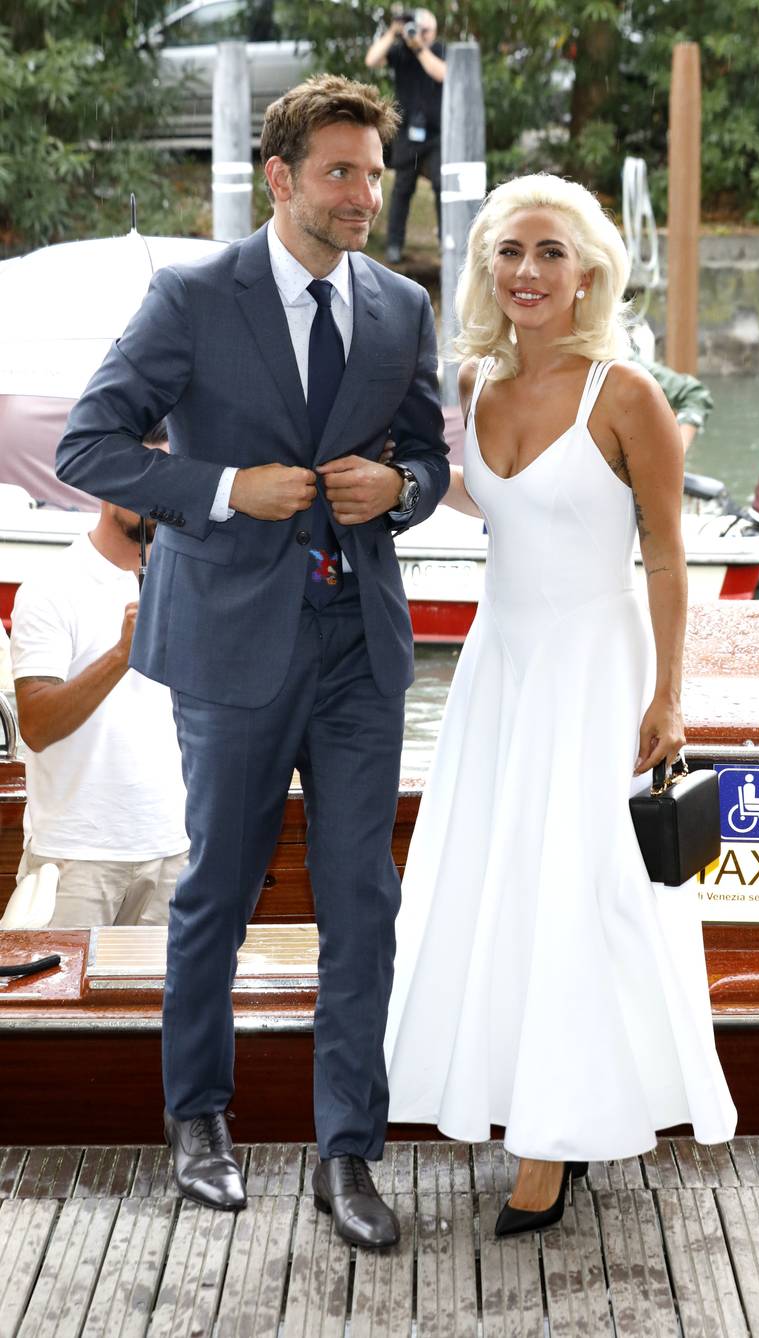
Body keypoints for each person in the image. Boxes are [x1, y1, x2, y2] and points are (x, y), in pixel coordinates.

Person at [56, 74, 450, 1240]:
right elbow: (91, 443)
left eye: (372, 174)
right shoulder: (188, 297)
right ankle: (198, 1120)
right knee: (217, 895)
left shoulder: (400, 308)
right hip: (229, 643)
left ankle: (347, 1154)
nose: (363, 195)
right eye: (340, 171)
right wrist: (225, 489)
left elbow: (426, 460)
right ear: (279, 178)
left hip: (358, 650)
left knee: (361, 904)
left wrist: (400, 491)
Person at [384, 173, 737, 1236]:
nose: (526, 272)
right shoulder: (473, 385)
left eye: (547, 253)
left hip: (596, 669)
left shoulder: (626, 394)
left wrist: (669, 697)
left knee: (581, 893)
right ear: (485, 269)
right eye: (507, 252)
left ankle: (552, 1138)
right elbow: (488, 498)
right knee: (504, 882)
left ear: (586, 270)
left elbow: (670, 560)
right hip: (501, 667)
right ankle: (523, 1098)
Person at [11, 423, 188, 928]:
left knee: (166, 1008)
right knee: (54, 1009)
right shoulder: (51, 586)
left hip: (176, 852)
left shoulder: (194, 585)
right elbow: (37, 727)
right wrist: (121, 654)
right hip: (74, 860)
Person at [365, 8, 445, 263]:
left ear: (433, 32)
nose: (418, 35)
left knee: (442, 186)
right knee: (402, 187)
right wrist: (393, 31)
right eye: (416, 29)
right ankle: (394, 245)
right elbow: (372, 60)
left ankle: (446, 241)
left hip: (436, 132)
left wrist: (420, 47)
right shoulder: (401, 53)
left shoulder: (439, 50)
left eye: (424, 31)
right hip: (408, 132)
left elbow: (441, 73)